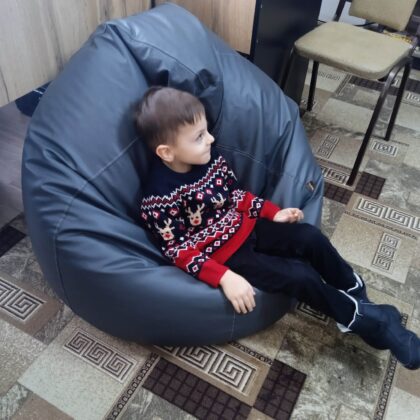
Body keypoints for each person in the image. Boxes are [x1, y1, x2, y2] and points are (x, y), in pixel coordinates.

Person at [135, 86, 420, 370]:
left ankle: (354, 291)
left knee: (309, 236)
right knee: (300, 276)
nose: (210, 138)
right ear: (167, 152)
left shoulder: (210, 159)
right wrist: (223, 277)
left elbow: (236, 196)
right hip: (228, 256)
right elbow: (179, 250)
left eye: (206, 130)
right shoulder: (158, 198)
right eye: (199, 137)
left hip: (247, 227)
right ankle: (373, 322)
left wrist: (273, 212)